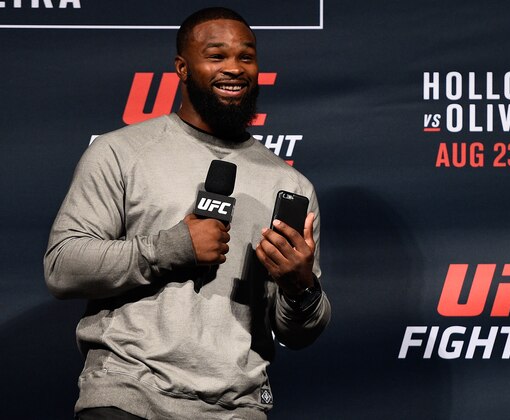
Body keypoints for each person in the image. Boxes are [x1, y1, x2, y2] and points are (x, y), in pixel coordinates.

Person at [44, 7, 331, 420]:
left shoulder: (291, 187)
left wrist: (299, 285)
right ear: (182, 67)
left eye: (246, 57)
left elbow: (300, 333)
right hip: (128, 396)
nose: (234, 68)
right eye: (216, 56)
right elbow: (62, 266)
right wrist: (173, 246)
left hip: (238, 408)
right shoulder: (120, 153)